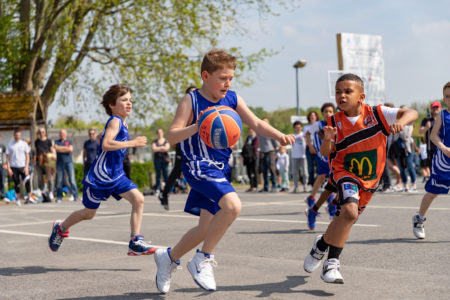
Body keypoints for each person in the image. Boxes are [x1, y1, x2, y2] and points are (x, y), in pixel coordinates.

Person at [153, 49, 295, 293]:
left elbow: (257, 123)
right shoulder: (191, 100)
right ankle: (203, 258)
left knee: (205, 229)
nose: (227, 83)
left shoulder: (233, 98)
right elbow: (172, 134)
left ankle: (169, 258)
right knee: (233, 206)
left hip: (219, 168)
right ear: (205, 76)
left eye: (231, 78)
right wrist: (198, 126)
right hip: (197, 165)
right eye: (223, 78)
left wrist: (280, 135)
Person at [303, 73, 417, 284]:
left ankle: (320, 245)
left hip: (370, 179)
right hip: (344, 173)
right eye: (338, 92)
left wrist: (401, 122)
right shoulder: (332, 122)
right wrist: (327, 139)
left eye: (348, 91)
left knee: (346, 219)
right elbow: (327, 152)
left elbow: (412, 112)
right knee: (348, 212)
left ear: (361, 96)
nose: (342, 96)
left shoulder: (378, 113)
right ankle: (331, 264)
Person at [48, 84, 156, 257]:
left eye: (130, 100)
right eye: (124, 100)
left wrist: (103, 135)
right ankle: (60, 228)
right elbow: (106, 144)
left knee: (138, 199)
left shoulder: (122, 123)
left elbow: (102, 138)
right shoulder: (115, 120)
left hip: (116, 175)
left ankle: (135, 241)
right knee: (88, 214)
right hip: (100, 177)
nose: (129, 104)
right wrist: (133, 143)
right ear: (112, 105)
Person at [412, 82, 450, 239]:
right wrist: (444, 148)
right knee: (433, 192)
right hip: (443, 160)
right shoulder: (442, 115)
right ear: (444, 99)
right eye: (448, 96)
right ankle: (419, 219)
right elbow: (433, 136)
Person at [158, 85, 197, 210]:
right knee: (177, 171)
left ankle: (201, 200)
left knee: (196, 170)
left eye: (195, 92)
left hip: (195, 145)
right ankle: (164, 194)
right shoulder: (185, 109)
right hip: (183, 145)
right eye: (191, 93)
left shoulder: (200, 109)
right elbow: (175, 130)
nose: (194, 95)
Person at [304, 103, 336, 208]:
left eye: (330, 111)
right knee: (326, 175)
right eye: (326, 111)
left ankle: (312, 197)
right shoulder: (318, 124)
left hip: (332, 154)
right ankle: (328, 197)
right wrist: (310, 146)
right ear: (322, 113)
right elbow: (307, 134)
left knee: (323, 177)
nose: (328, 113)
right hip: (322, 154)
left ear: (334, 113)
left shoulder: (335, 124)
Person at [393, 105, 417, 192]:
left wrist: (399, 127)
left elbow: (408, 135)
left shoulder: (410, 123)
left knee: (410, 166)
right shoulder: (395, 121)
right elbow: (393, 134)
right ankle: (405, 184)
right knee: (401, 167)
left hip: (408, 147)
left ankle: (413, 184)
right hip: (398, 148)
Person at [6, 129, 33, 205]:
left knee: (27, 181)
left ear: (20, 135)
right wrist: (8, 168)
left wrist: (26, 167)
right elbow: (8, 157)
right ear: (14, 135)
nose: (17, 136)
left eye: (18, 135)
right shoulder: (10, 145)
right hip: (14, 166)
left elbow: (27, 156)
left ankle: (29, 197)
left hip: (23, 166)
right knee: (16, 183)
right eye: (16, 135)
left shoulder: (24, 144)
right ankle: (18, 199)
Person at [54, 129, 79, 203]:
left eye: (63, 133)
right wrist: (65, 148)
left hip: (69, 162)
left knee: (72, 180)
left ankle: (76, 196)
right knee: (59, 181)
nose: (62, 135)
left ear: (66, 134)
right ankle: (59, 197)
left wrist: (60, 148)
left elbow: (70, 150)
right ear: (59, 134)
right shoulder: (56, 142)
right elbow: (56, 149)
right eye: (61, 133)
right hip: (59, 163)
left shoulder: (69, 141)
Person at [258, 117, 279, 192]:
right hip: (263, 152)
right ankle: (266, 186)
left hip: (270, 151)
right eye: (263, 121)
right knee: (264, 170)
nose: (264, 123)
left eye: (266, 122)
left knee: (272, 169)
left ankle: (274, 186)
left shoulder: (270, 131)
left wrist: (276, 152)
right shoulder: (259, 132)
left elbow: (275, 144)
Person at [34, 127, 56, 200]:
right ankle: (41, 192)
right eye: (40, 132)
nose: (41, 133)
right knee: (40, 178)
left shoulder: (48, 141)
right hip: (39, 161)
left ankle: (51, 192)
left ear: (45, 132)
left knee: (49, 178)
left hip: (47, 160)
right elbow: (36, 151)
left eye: (43, 132)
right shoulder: (37, 141)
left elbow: (52, 150)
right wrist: (35, 161)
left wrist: (53, 157)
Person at [420, 101, 442, 167]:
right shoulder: (427, 119)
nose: (435, 109)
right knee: (431, 165)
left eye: (437, 107)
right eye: (433, 107)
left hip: (442, 145)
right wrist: (427, 127)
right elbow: (421, 131)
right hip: (431, 146)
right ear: (431, 108)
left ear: (440, 108)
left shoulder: (443, 118)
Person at [304, 111, 319, 189]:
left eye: (314, 115)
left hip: (318, 148)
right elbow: (306, 137)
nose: (312, 117)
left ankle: (319, 183)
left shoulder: (319, 125)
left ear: (316, 117)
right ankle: (311, 183)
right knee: (310, 167)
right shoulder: (306, 127)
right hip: (309, 147)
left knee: (319, 166)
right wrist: (310, 146)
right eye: (311, 115)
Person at [291, 121, 308, 193]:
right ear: (294, 128)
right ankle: (296, 187)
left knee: (304, 172)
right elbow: (292, 145)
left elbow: (307, 142)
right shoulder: (293, 135)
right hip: (295, 156)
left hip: (303, 155)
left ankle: (305, 186)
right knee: (295, 172)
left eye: (299, 127)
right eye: (296, 127)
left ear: (301, 127)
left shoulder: (304, 134)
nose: (298, 128)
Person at [152, 128, 170, 192]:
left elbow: (167, 149)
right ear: (157, 134)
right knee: (158, 175)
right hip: (157, 160)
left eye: (161, 132)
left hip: (165, 160)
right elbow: (154, 149)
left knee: (166, 174)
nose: (159, 134)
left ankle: (167, 188)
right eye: (158, 133)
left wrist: (158, 148)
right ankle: (157, 188)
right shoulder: (154, 142)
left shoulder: (166, 141)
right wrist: (162, 147)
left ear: (163, 133)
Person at [241, 128, 259, 192]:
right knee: (249, 171)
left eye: (252, 129)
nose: (251, 131)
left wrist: (248, 147)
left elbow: (255, 147)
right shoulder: (248, 137)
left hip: (253, 156)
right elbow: (245, 146)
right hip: (247, 157)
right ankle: (251, 185)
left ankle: (255, 186)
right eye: (250, 130)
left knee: (254, 171)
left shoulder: (256, 138)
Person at [0, 135, 6, 201]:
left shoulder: (2, 146)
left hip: (1, 165)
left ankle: (3, 195)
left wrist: (6, 163)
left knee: (2, 181)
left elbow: (6, 155)